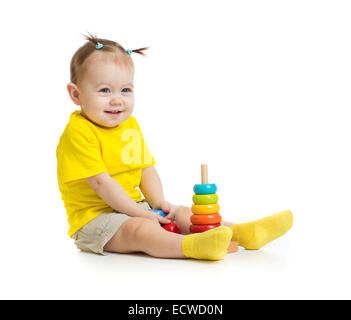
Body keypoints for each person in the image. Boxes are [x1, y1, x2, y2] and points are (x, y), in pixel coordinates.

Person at [56, 33, 293, 260]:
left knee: (184, 213)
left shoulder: (129, 124)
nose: (117, 99)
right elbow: (102, 183)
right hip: (95, 220)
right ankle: (191, 247)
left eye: (125, 90)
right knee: (138, 230)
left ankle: (243, 233)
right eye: (104, 90)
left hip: (134, 207)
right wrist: (141, 213)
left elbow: (145, 169)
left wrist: (159, 204)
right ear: (76, 95)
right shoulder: (78, 132)